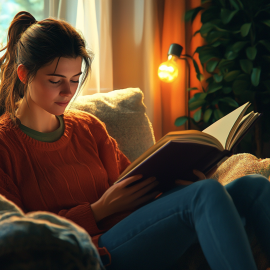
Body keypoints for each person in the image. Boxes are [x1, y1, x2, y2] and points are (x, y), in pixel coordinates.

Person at [0, 11, 270, 270]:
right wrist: (97, 210)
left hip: (134, 229)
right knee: (207, 194)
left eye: (74, 79)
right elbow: (16, 234)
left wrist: (179, 186)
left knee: (253, 186)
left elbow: (133, 182)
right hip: (96, 250)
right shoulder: (5, 145)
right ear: (24, 74)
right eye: (55, 80)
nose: (68, 92)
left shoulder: (88, 128)